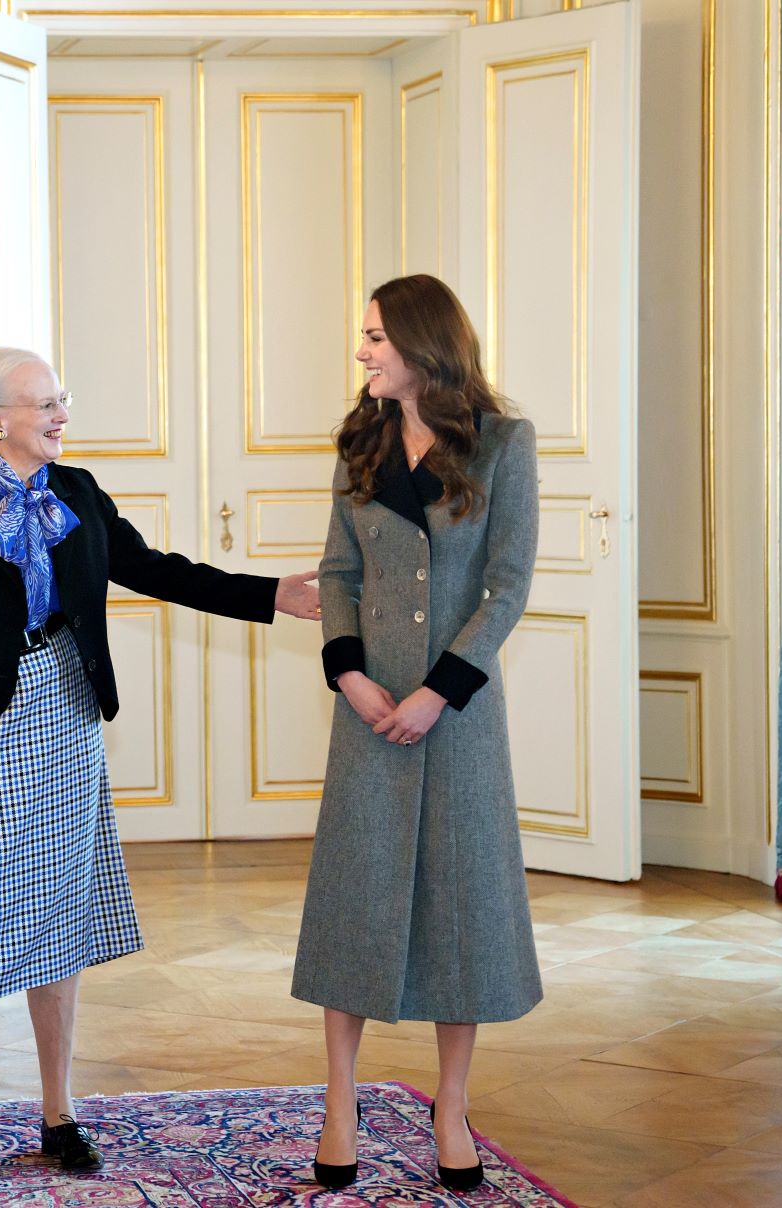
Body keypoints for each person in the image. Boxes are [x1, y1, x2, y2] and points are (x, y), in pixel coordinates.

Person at [0, 347, 322, 1198]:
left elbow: (153, 570)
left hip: (65, 713)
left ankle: (57, 1111)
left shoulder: (78, 494)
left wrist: (269, 596)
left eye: (62, 400)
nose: (61, 415)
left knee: (59, 911)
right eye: (46, 403)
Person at [291, 275, 541, 1194]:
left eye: (373, 337)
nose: (361, 351)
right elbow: (337, 571)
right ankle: (340, 1101)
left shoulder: (503, 444)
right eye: (362, 336)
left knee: (462, 907)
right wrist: (349, 675)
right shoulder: (359, 440)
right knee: (351, 901)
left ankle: (449, 1105)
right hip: (367, 707)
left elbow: (506, 586)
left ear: (421, 345)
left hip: (458, 713)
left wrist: (438, 692)